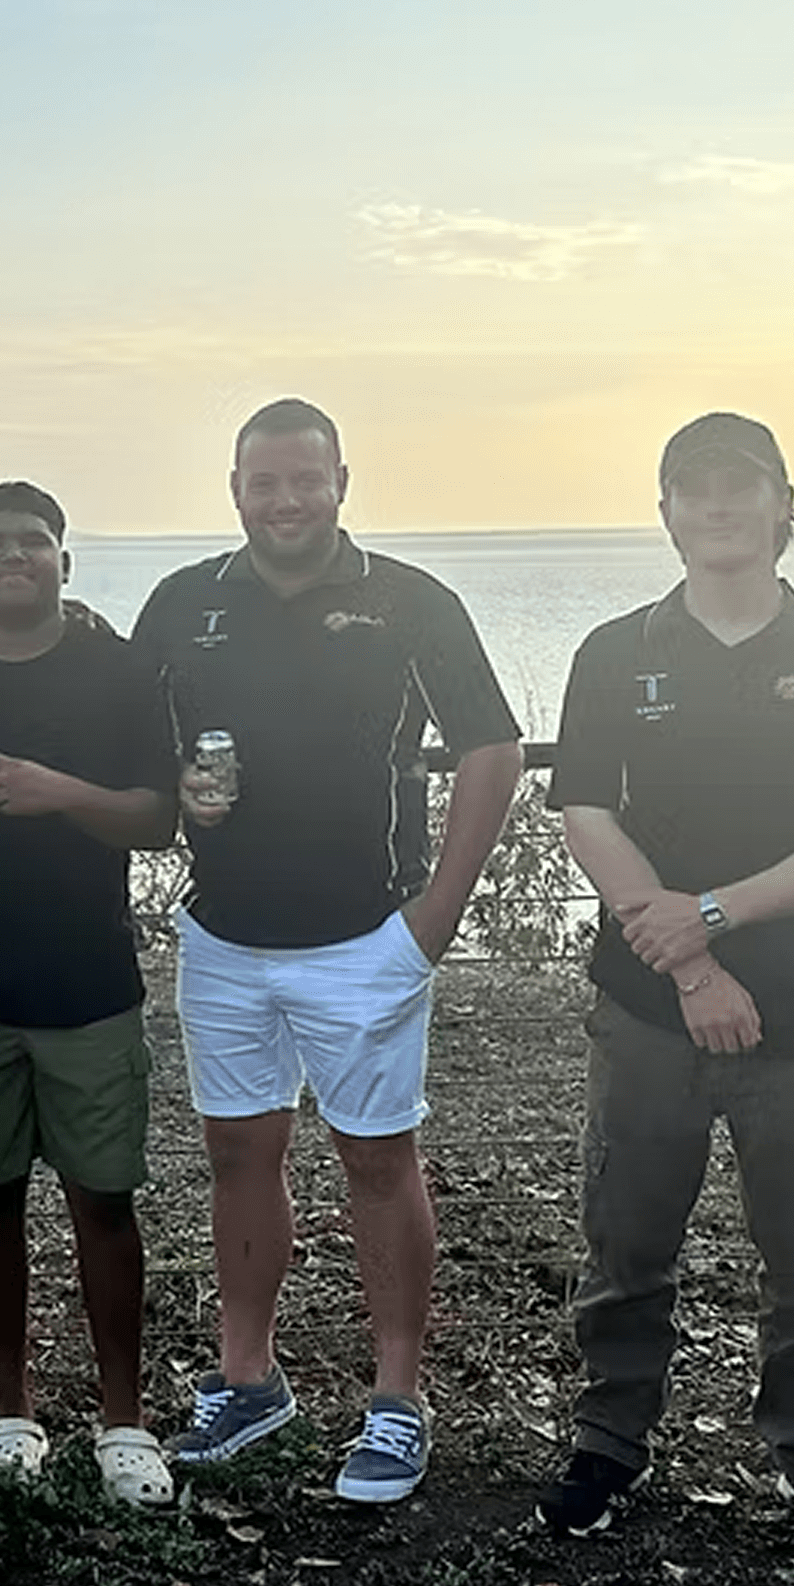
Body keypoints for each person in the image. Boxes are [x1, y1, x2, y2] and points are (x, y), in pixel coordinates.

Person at [538, 412, 794, 1562]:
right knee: (627, 1235)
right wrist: (691, 960)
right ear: (664, 511)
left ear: (781, 502)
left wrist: (714, 911)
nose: (715, 505)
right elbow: (582, 814)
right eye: (690, 488)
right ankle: (610, 1441)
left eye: (738, 486)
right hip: (646, 1000)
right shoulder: (614, 653)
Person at [130, 398, 523, 1505]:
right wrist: (175, 787)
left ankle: (397, 1403)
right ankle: (249, 1381)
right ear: (236, 488)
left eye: (306, 480)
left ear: (341, 480)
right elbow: (126, 744)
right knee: (238, 1159)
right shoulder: (183, 603)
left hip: (367, 938)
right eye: (265, 483)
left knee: (376, 1163)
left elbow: (494, 749)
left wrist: (437, 914)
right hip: (224, 936)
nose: (286, 501)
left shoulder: (408, 601)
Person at [0, 480, 179, 1507]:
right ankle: (11, 1412)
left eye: (34, 541)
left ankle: (123, 1421)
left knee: (105, 1203)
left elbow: (158, 818)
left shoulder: (117, 668)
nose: (13, 556)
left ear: (66, 559)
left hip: (91, 984)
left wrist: (60, 795)